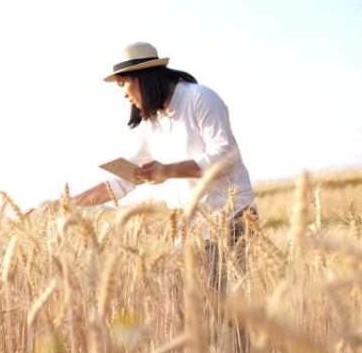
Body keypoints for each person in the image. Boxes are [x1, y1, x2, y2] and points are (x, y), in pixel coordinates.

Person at [58, 42, 256, 233]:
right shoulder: (151, 123)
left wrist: (166, 171)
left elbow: (224, 157)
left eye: (122, 83)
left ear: (142, 78)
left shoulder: (200, 97)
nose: (124, 95)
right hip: (189, 229)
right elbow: (124, 179)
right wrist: (68, 204)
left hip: (230, 219)